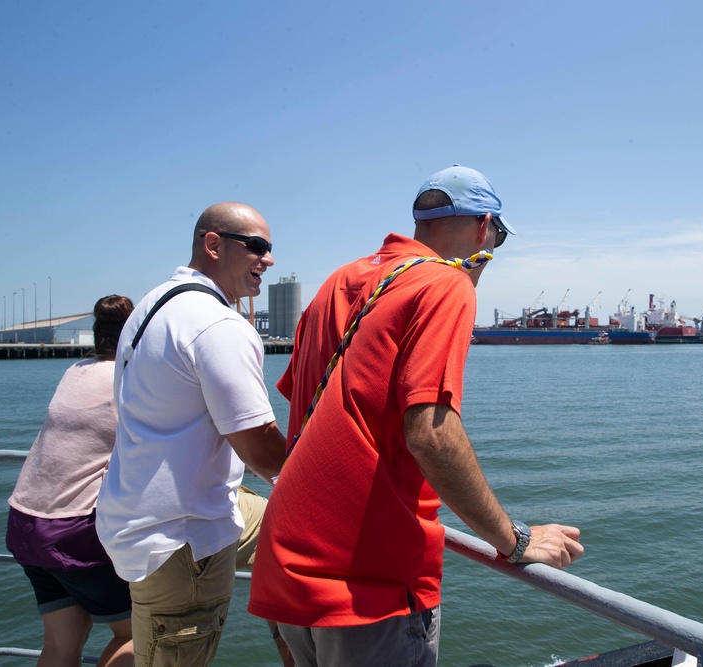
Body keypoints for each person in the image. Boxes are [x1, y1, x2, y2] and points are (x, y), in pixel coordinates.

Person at [249, 166, 584, 666]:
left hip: (289, 567)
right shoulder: (444, 284)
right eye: (500, 238)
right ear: (485, 228)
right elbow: (431, 434)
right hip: (368, 584)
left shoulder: (337, 282)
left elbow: (306, 403)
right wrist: (515, 541)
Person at [95, 202, 289, 667]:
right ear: (213, 245)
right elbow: (262, 449)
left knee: (293, 528)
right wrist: (331, 484)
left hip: (140, 513)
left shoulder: (153, 305)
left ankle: (297, 644)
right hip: (183, 540)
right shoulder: (218, 324)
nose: (268, 259)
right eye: (256, 246)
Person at [6, 294, 136, 667]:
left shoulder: (75, 370)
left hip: (25, 523)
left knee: (61, 644)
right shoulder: (126, 382)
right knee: (137, 634)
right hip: (72, 530)